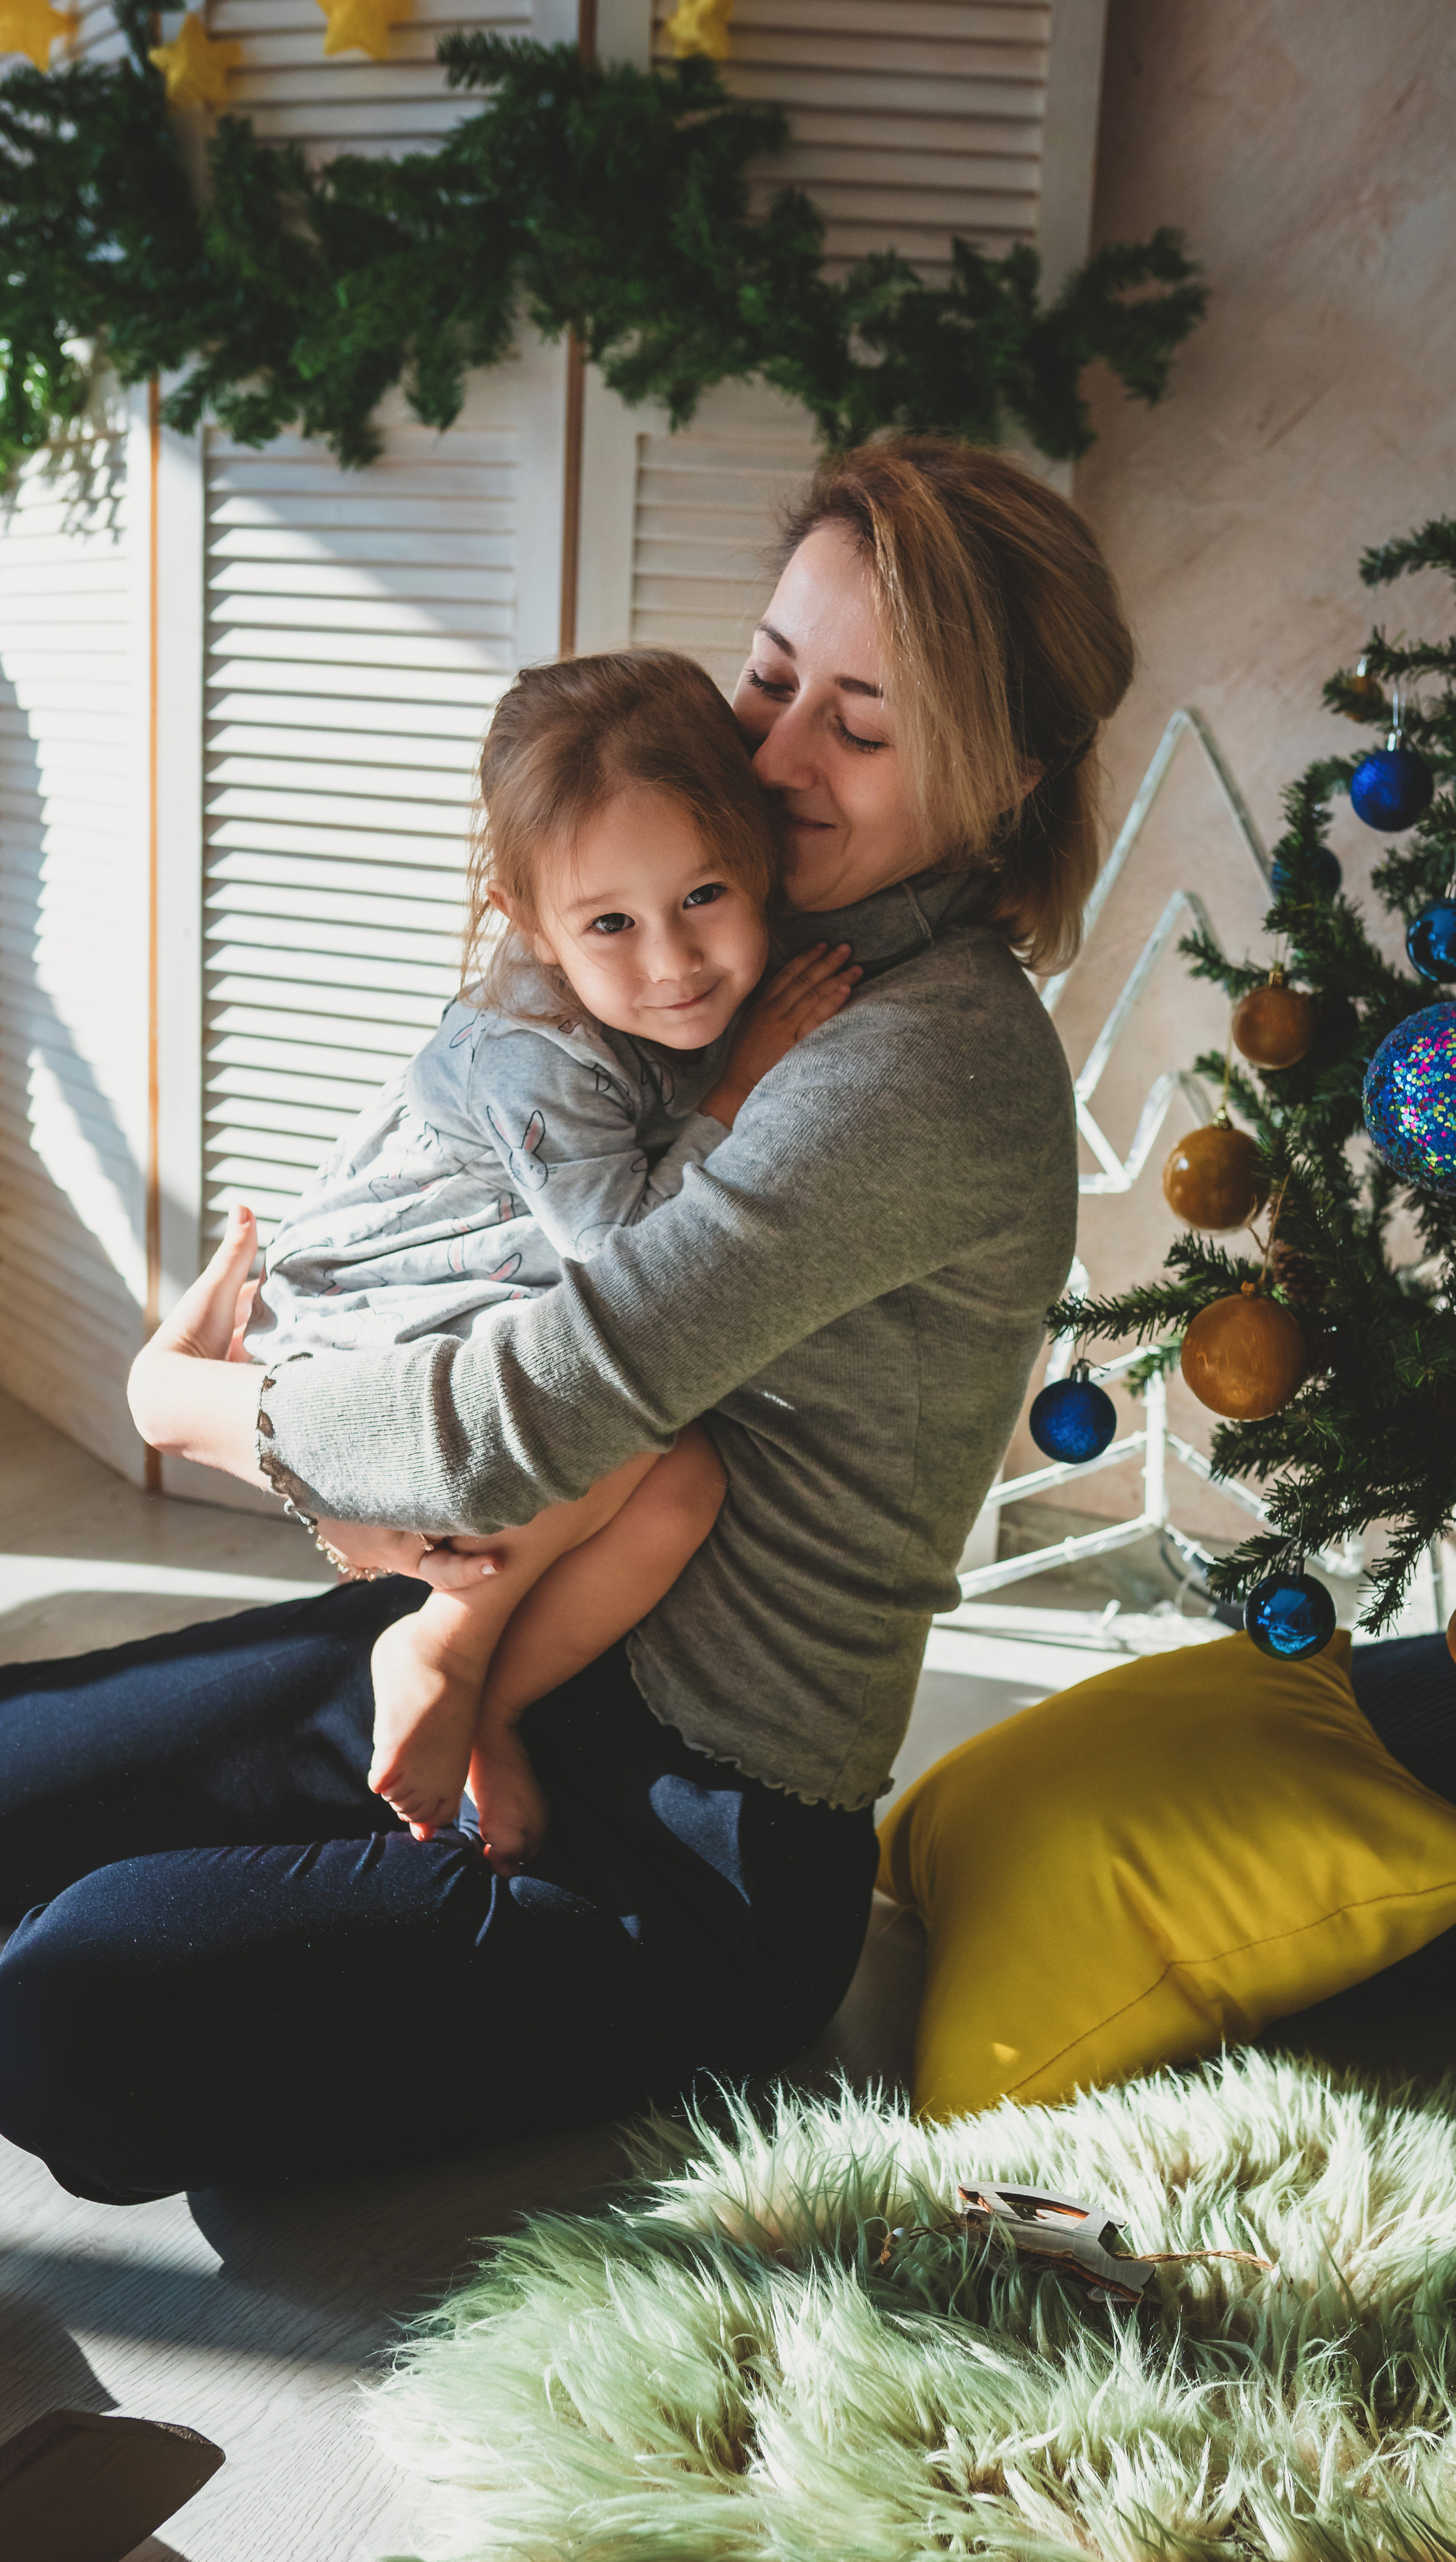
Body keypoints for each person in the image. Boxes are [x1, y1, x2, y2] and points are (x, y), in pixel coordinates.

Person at [0, 438, 1131, 2202]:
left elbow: (542, 1404)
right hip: (544, 1614)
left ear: (1003, 770)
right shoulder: (743, 935)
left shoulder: (923, 1062)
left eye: (865, 720)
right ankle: (400, 1704)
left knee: (60, 2030)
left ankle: (423, 1764)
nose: (769, 755)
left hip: (697, 1826)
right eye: (772, 677)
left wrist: (191, 1403)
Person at [243, 649, 859, 1868]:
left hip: (517, 1293)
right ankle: (450, 1634)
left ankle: (496, 1699)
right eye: (611, 924)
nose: (672, 963)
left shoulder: (671, 996)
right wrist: (737, 1089)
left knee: (687, 1485)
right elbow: (633, 1265)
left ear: (764, 866)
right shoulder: (538, 1051)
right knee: (632, 1417)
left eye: (705, 896)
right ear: (532, 926)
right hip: (384, 1309)